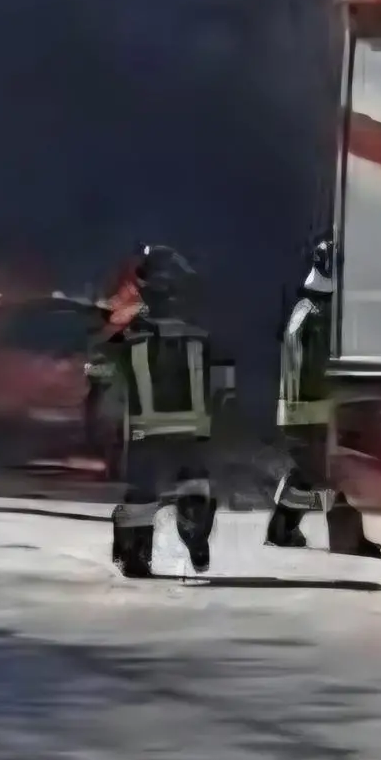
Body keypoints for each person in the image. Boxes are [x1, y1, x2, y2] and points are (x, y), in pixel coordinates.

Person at [93, 244, 234, 579]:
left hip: (144, 431)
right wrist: (224, 418)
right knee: (195, 488)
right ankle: (195, 534)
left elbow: (102, 376)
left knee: (141, 496)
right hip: (194, 430)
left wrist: (107, 413)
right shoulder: (204, 335)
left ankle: (133, 556)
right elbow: (225, 386)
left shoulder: (127, 335)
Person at [264, 237, 381, 557]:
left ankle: (282, 527)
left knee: (310, 472)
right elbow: (323, 369)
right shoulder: (323, 316)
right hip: (317, 410)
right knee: (341, 472)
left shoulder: (304, 309)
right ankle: (346, 540)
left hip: (298, 410)